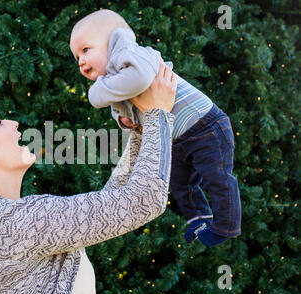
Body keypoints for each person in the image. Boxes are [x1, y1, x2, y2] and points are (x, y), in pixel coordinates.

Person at [0, 62, 176, 294]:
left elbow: (114, 205)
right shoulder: (13, 224)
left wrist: (141, 131)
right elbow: (144, 201)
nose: (13, 123)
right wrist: (158, 113)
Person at [69, 9, 242, 247]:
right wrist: (126, 121)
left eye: (86, 50)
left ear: (113, 40)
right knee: (181, 184)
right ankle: (199, 219)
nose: (81, 61)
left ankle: (226, 227)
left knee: (218, 179)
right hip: (178, 137)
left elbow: (139, 80)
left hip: (205, 126)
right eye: (76, 56)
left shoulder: (131, 55)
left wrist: (95, 93)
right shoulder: (115, 79)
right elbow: (127, 108)